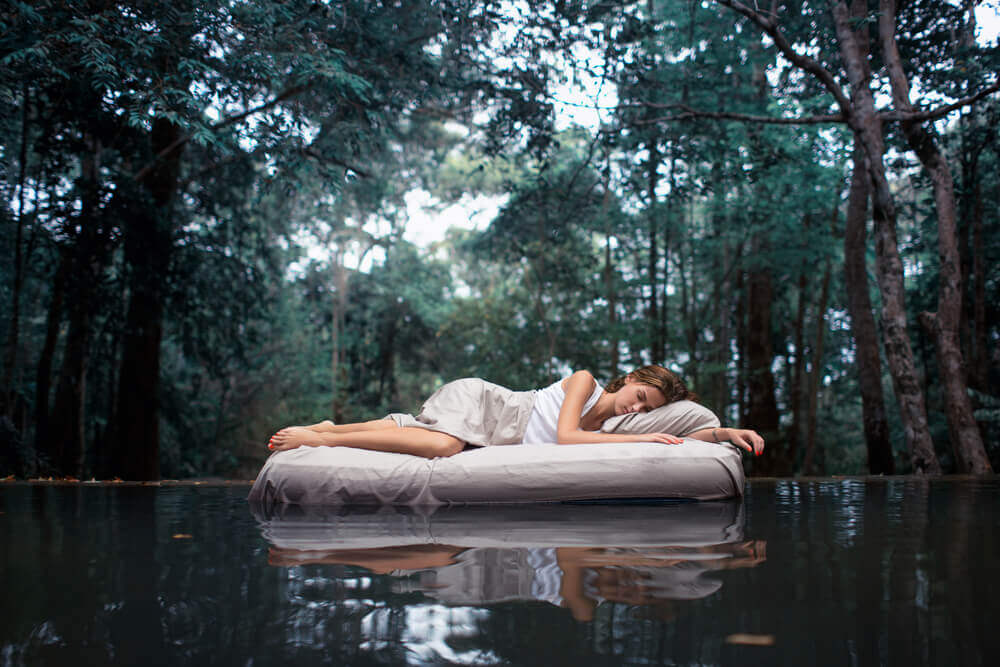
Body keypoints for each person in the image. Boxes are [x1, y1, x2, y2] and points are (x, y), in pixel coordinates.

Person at [267, 365, 765, 458]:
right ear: (630, 379)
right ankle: (324, 439)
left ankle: (334, 425)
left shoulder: (614, 425)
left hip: (493, 430)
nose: (638, 408)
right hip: (486, 401)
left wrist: (723, 434)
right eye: (641, 397)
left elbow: (680, 440)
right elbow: (566, 438)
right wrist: (638, 437)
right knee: (442, 445)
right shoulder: (586, 382)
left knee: (422, 432)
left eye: (647, 409)